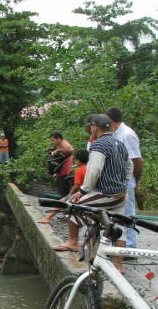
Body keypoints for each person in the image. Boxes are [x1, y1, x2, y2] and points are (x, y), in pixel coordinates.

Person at [58, 114, 132, 273]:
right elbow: (129, 166)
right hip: (121, 194)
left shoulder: (98, 145)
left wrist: (83, 191)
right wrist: (124, 183)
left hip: (106, 193)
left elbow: (94, 170)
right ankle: (118, 265)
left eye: (91, 127)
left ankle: (72, 241)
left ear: (95, 127)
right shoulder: (119, 143)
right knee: (118, 225)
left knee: (72, 205)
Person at [105, 106, 143, 248]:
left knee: (128, 214)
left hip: (127, 179)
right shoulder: (115, 134)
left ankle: (131, 246)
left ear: (111, 120)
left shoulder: (127, 134)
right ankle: (116, 244)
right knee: (116, 213)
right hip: (116, 180)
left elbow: (137, 160)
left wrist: (136, 180)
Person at [37, 148, 89, 224]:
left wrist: (71, 193)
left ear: (78, 160)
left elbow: (77, 186)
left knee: (62, 201)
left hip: (80, 193)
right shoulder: (90, 168)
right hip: (88, 192)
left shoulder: (79, 171)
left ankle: (48, 218)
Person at [49, 131, 75, 197]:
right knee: (61, 191)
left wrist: (58, 151)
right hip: (61, 172)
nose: (53, 142)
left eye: (53, 140)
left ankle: (63, 205)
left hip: (65, 172)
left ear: (58, 138)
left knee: (64, 192)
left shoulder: (64, 142)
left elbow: (71, 150)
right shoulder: (59, 145)